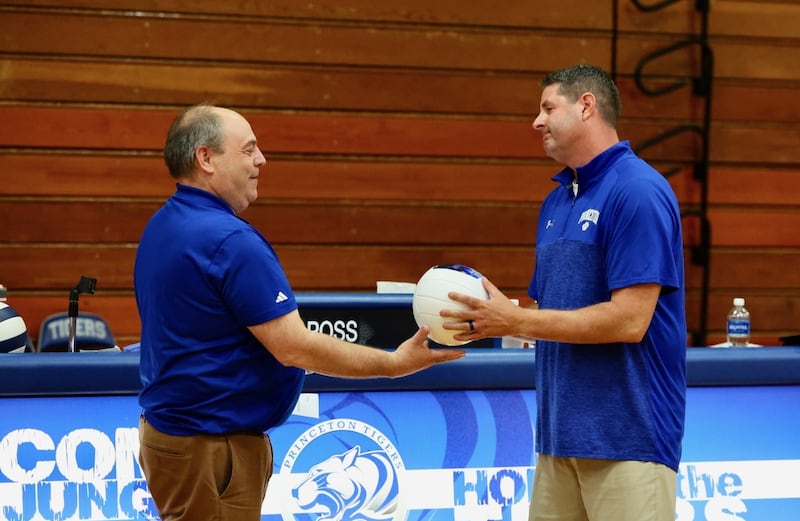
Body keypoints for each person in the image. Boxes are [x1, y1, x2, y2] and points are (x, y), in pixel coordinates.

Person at [133, 103, 465, 521]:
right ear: (206, 158)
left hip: (178, 440)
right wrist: (393, 363)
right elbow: (293, 347)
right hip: (210, 451)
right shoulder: (228, 241)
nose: (261, 160)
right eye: (248, 150)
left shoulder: (162, 226)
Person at [441, 65, 687, 521]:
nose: (537, 122)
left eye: (548, 108)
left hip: (629, 443)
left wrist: (516, 319)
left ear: (586, 106)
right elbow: (548, 316)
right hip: (558, 443)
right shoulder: (556, 202)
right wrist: (488, 320)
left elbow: (630, 320)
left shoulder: (638, 191)